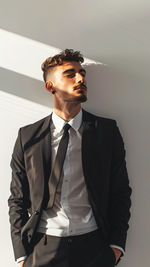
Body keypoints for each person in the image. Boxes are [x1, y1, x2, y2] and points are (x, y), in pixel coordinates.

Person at [8, 49, 132, 267]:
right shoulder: (27, 136)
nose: (81, 78)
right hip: (43, 247)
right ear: (50, 86)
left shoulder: (106, 131)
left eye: (82, 72)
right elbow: (17, 199)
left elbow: (120, 191)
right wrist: (21, 256)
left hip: (94, 245)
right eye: (70, 74)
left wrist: (116, 247)